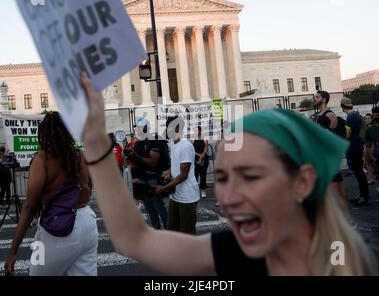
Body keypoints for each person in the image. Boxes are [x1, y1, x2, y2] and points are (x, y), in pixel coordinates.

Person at [79, 72, 377, 275]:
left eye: (251, 176)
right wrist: (94, 142)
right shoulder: (236, 253)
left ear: (302, 182)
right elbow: (134, 239)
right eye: (221, 178)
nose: (229, 197)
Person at [4, 112, 98, 276]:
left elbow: (30, 207)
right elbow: (89, 187)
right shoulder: (79, 156)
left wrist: (13, 252)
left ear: (44, 135)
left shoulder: (42, 160)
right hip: (88, 223)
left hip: (59, 226)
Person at [154, 115, 200, 235]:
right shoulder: (174, 145)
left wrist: (163, 188)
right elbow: (177, 166)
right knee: (173, 231)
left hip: (187, 197)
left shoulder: (185, 146)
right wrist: (169, 172)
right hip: (175, 196)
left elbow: (184, 175)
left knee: (187, 234)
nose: (167, 131)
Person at [125, 117, 168, 230]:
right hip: (143, 178)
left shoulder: (153, 141)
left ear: (146, 128)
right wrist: (130, 157)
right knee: (149, 208)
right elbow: (138, 162)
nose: (137, 130)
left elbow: (153, 163)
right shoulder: (139, 143)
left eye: (139, 128)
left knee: (158, 206)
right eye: (137, 128)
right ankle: (157, 231)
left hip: (154, 178)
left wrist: (136, 156)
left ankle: (170, 230)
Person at [313, 91, 348, 208]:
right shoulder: (318, 115)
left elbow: (333, 136)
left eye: (317, 97)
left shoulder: (330, 115)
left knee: (334, 186)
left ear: (324, 99)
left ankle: (342, 216)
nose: (315, 98)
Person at [340, 98, 371, 207]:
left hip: (353, 148)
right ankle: (362, 195)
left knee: (359, 173)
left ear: (342, 106)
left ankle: (364, 197)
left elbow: (348, 133)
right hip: (357, 146)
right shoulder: (356, 115)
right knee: (359, 173)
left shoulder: (351, 117)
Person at [193, 126, 209, 198]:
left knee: (203, 175)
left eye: (197, 130)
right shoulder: (193, 139)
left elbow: (206, 148)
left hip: (204, 159)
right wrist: (198, 155)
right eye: (194, 131)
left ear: (200, 131)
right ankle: (195, 191)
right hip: (196, 159)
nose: (195, 132)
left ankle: (203, 190)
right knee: (195, 176)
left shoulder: (204, 138)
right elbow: (192, 149)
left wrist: (201, 157)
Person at [363, 113, 376, 184]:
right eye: (366, 118)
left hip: (373, 148)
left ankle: (371, 177)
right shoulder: (365, 128)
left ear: (372, 119)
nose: (367, 120)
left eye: (369, 118)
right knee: (368, 164)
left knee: (371, 163)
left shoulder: (373, 128)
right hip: (366, 148)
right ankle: (370, 178)